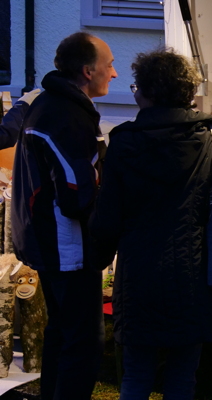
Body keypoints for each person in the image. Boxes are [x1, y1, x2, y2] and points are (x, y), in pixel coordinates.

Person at [89, 49, 212, 399]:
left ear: (145, 92)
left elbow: (107, 218)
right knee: (181, 378)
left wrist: (93, 263)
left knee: (136, 376)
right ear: (187, 92)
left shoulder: (123, 142)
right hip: (194, 275)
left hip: (138, 277)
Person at [11, 31, 118, 399]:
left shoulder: (53, 105)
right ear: (88, 71)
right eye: (110, 65)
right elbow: (75, 193)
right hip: (66, 248)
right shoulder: (66, 115)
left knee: (62, 331)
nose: (114, 74)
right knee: (84, 343)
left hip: (47, 242)